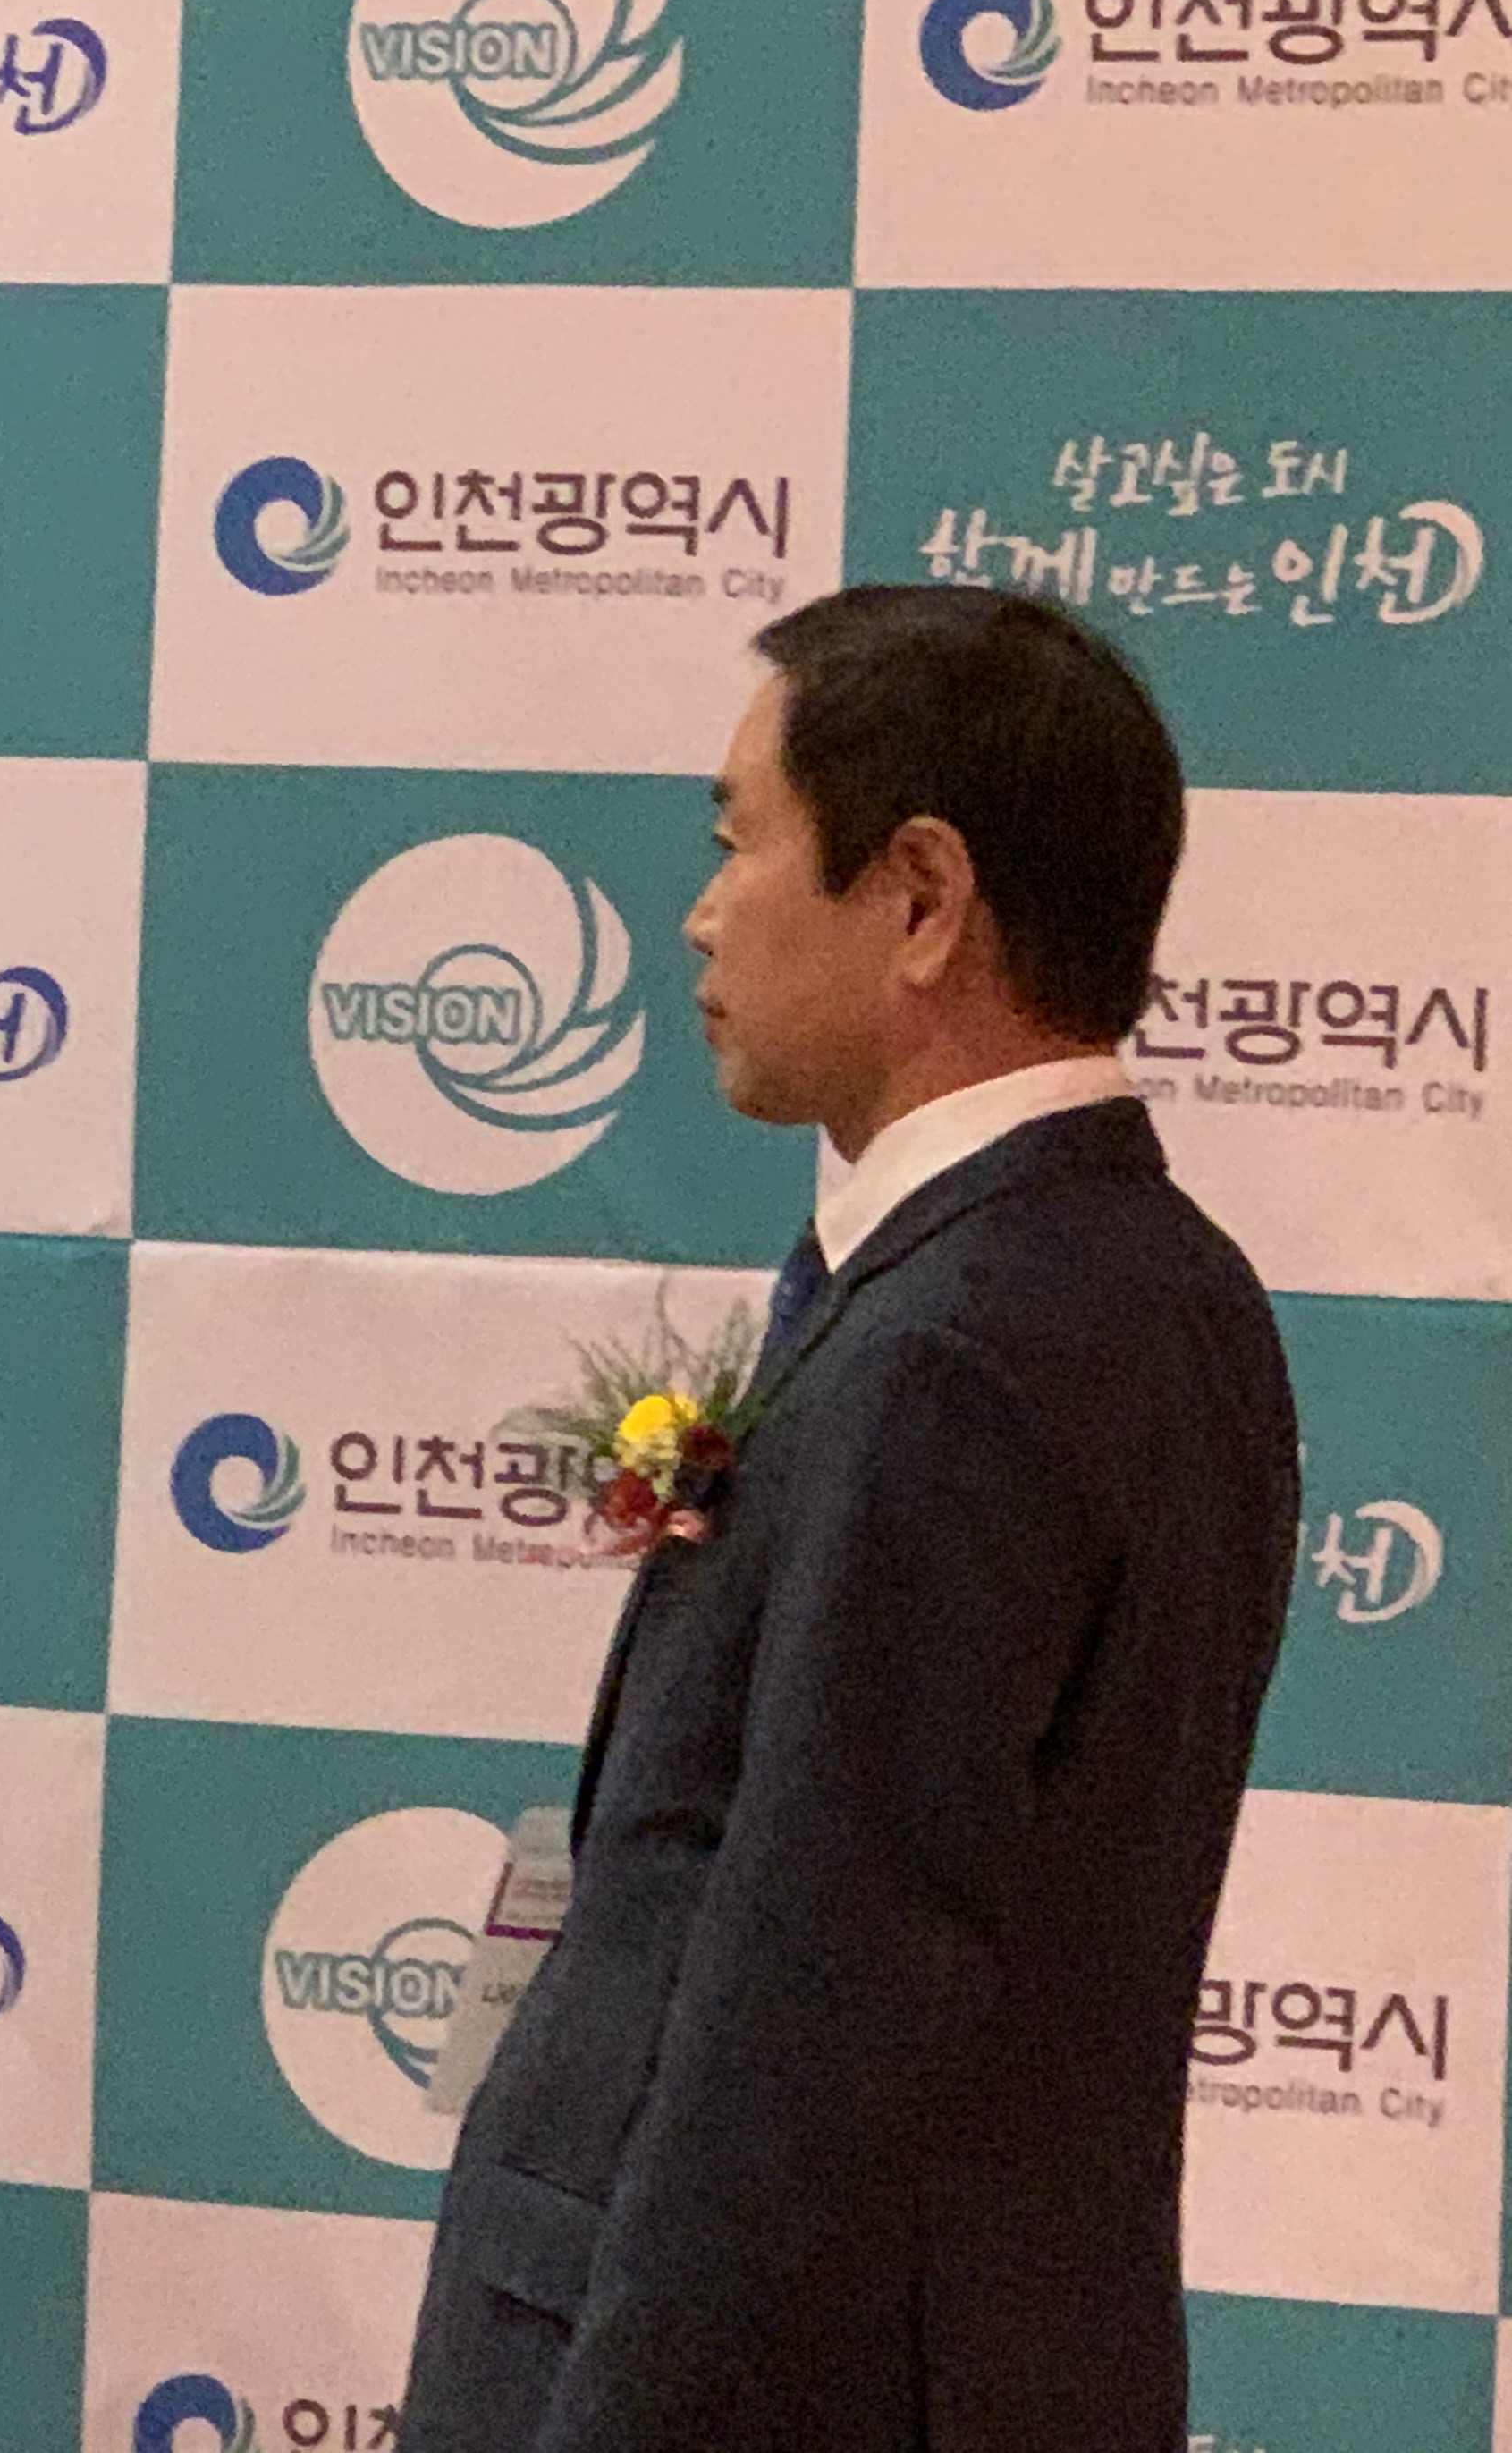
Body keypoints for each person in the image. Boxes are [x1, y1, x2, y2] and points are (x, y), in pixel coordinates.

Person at [399, 586, 1297, 2452]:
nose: (699, 913)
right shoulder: (1161, 1284)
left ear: (921, 897)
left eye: (738, 842)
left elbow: (804, 2015)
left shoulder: (954, 1350)